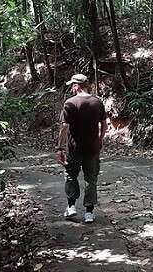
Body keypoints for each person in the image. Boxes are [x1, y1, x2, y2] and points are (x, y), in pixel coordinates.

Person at [56, 73, 107, 224]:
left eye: (72, 85)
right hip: (92, 148)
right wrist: (100, 140)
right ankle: (89, 213)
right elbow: (104, 124)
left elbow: (64, 127)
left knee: (71, 176)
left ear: (77, 86)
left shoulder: (70, 103)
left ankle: (71, 207)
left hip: (74, 149)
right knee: (91, 179)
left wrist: (60, 148)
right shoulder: (97, 102)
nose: (72, 88)